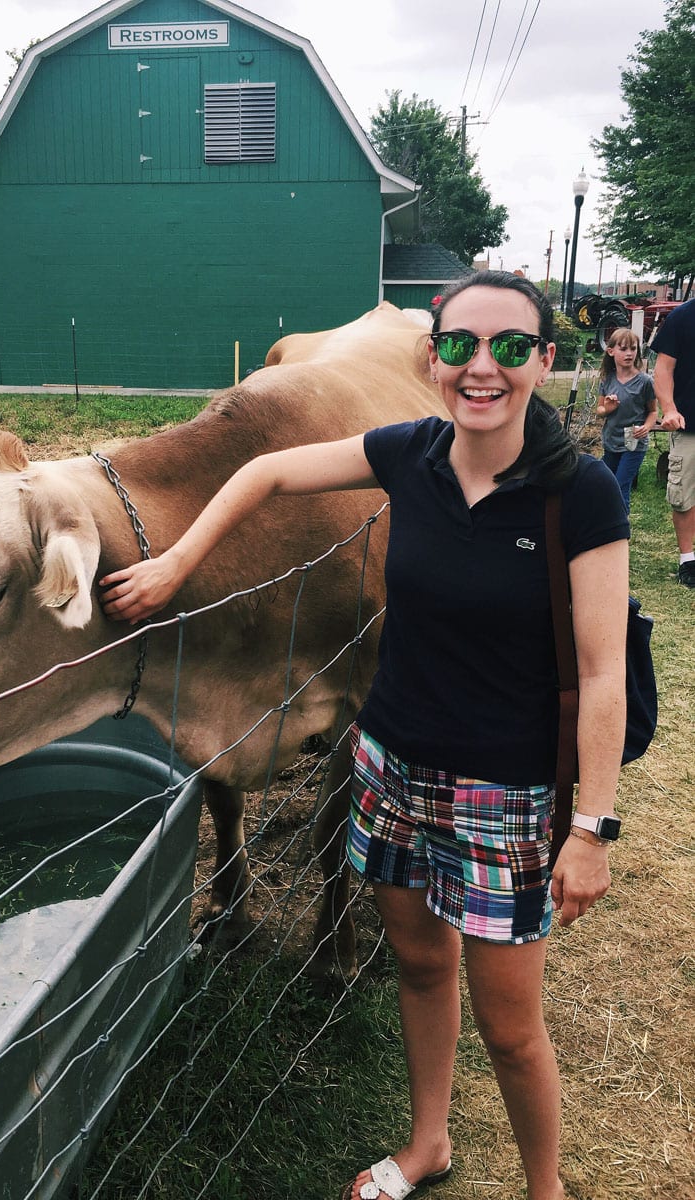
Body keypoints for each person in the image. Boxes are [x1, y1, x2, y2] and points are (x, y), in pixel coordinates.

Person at [99, 272, 630, 1200]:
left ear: (545, 362)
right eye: (461, 343)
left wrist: (590, 829)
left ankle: (546, 1188)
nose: (482, 367)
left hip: (505, 795)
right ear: (432, 356)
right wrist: (177, 563)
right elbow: (264, 472)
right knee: (421, 971)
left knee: (510, 1028)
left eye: (510, 348)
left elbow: (601, 674)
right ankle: (430, 1144)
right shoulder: (408, 454)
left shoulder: (578, 496)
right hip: (389, 770)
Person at [650, 296, 695, 587]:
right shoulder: (682, 318)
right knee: (684, 496)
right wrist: (669, 408)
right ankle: (688, 560)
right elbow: (663, 369)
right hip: (689, 423)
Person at [595, 328, 656, 513]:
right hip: (611, 441)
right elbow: (599, 411)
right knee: (606, 483)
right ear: (611, 351)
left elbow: (653, 411)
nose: (629, 353)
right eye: (623, 349)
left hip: (634, 444)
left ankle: (620, 528)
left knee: (621, 485)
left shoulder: (645, 381)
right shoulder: (607, 379)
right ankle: (606, 522)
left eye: (633, 348)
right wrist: (607, 408)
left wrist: (646, 427)